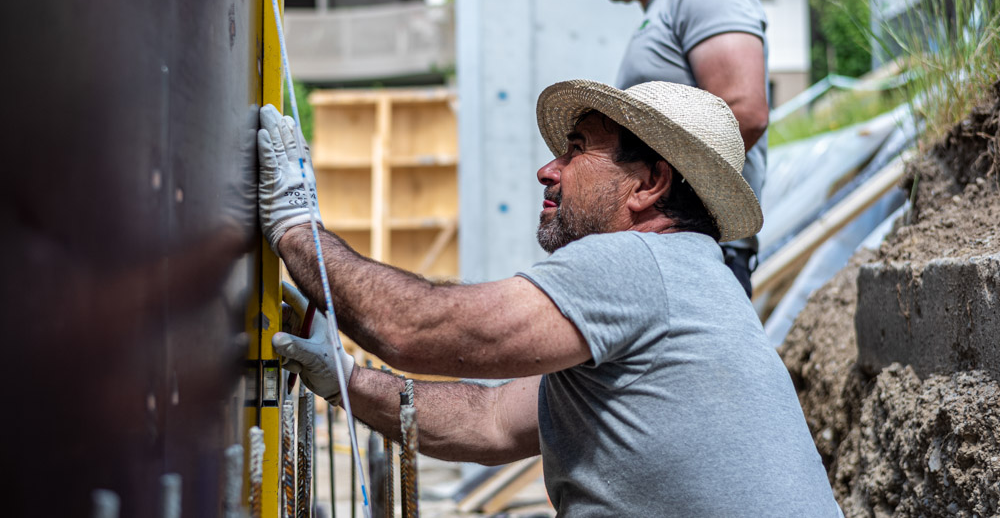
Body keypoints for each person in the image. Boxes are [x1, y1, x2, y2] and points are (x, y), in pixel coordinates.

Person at [257, 80, 842, 517]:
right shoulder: (689, 281)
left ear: (648, 184)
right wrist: (345, 381)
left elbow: (420, 330)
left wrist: (294, 228)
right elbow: (487, 423)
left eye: (576, 149)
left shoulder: (639, 264)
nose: (547, 169)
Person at [545, 0, 770, 297]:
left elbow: (746, 111)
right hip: (665, 249)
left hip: (695, 252)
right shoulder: (661, 13)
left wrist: (635, 196)